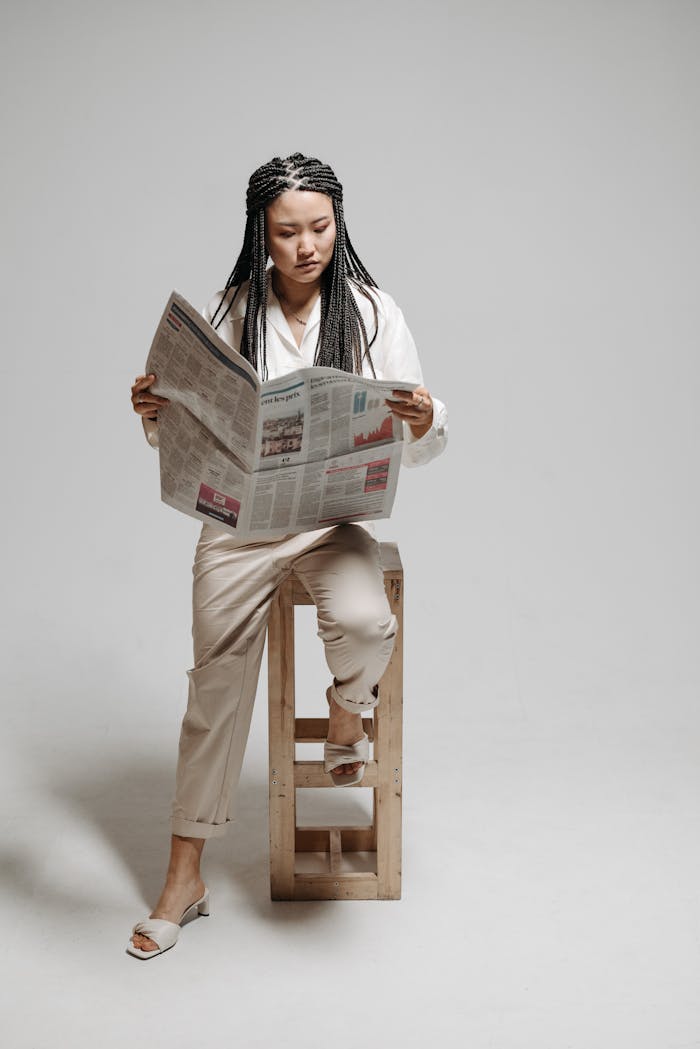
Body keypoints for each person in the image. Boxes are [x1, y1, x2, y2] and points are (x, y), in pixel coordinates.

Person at [126, 152, 448, 958]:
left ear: (340, 224)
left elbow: (424, 441)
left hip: (333, 520)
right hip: (240, 526)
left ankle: (349, 712)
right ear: (259, 235)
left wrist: (420, 414)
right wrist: (155, 409)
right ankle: (183, 876)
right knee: (214, 689)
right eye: (287, 232)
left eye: (320, 227)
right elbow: (183, 437)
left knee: (369, 622)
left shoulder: (372, 311)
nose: (307, 246)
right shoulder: (230, 307)